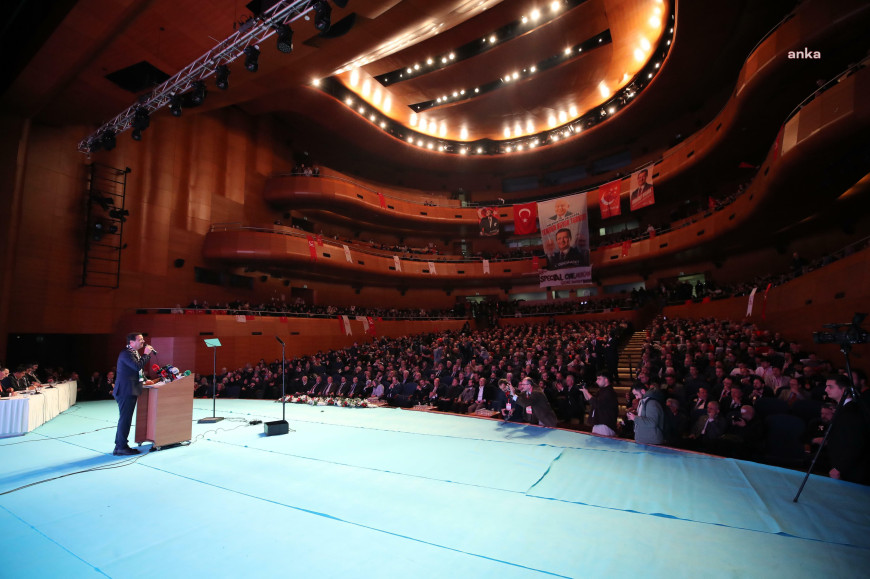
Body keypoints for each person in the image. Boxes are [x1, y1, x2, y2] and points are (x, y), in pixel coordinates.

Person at [113, 332, 154, 456]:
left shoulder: (133, 352)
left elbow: (137, 371)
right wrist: (146, 354)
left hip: (129, 389)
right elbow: (136, 367)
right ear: (131, 342)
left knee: (125, 419)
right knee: (125, 420)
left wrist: (145, 379)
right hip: (125, 391)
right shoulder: (126, 353)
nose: (143, 341)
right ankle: (121, 447)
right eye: (140, 339)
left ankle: (119, 445)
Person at [823, 374, 869, 484]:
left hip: (850, 471)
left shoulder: (851, 412)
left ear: (843, 390)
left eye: (830, 386)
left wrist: (839, 468)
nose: (826, 389)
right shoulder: (843, 408)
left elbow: (856, 444)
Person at [581, 371, 619, 436]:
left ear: (606, 379)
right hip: (599, 423)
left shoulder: (609, 392)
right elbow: (590, 400)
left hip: (604, 424)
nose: (596, 381)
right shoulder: (602, 390)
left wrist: (586, 392)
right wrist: (584, 391)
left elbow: (597, 403)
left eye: (599, 379)